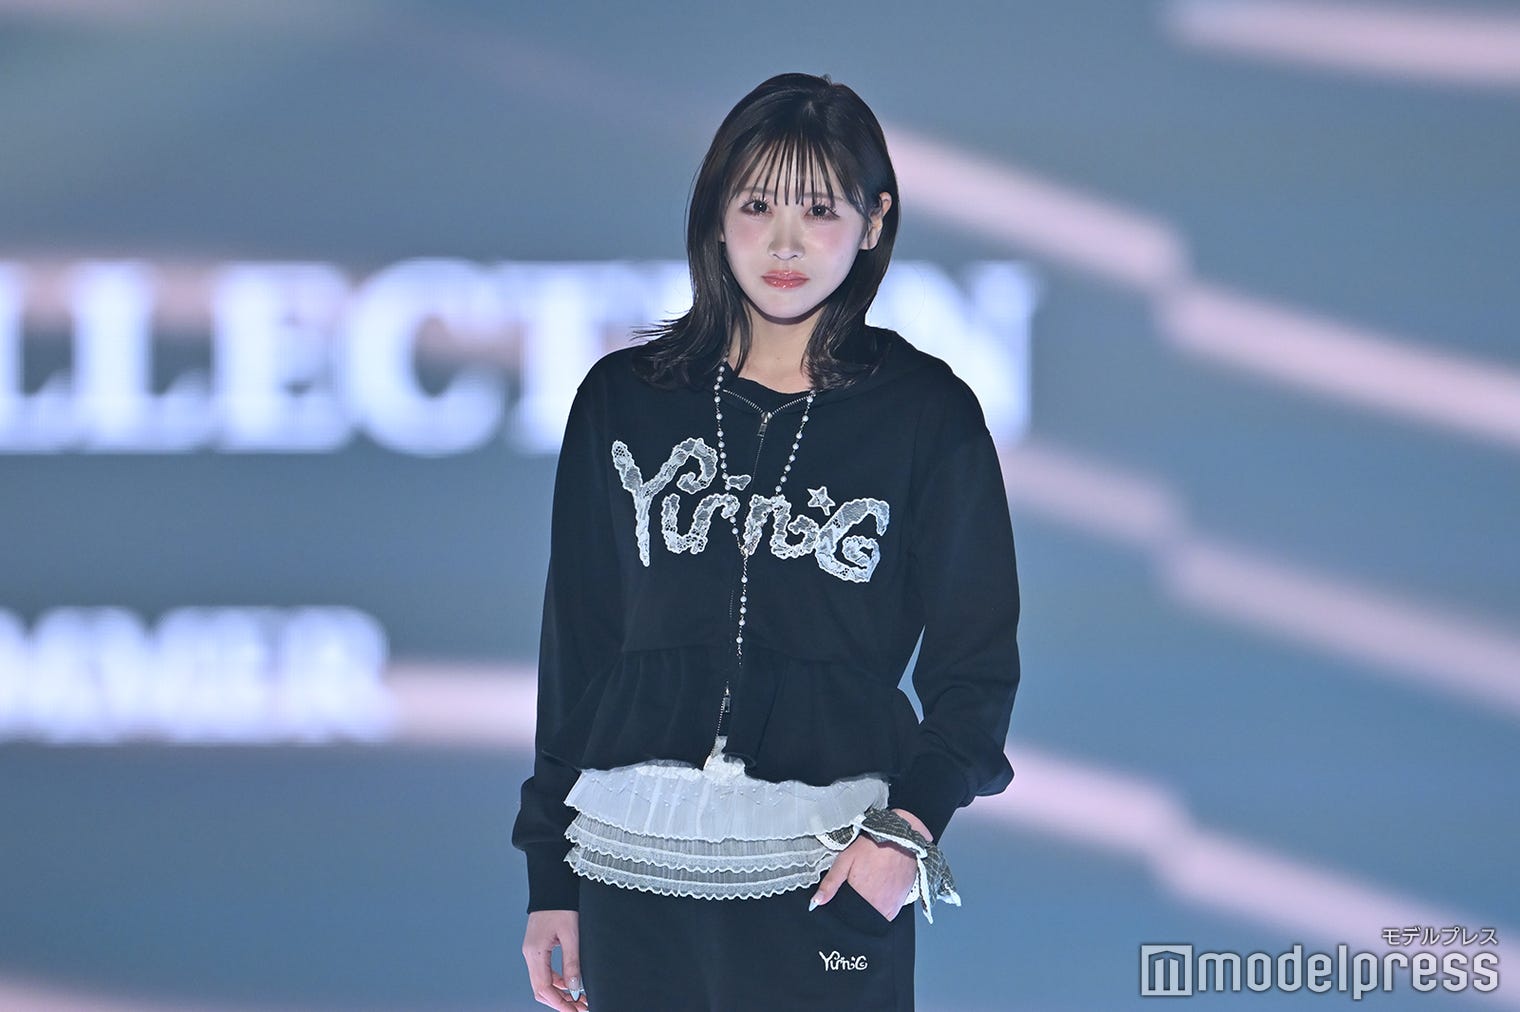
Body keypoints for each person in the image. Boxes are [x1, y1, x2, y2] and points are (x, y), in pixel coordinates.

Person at [513, 71, 1022, 1012]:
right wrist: (552, 872)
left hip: (827, 869)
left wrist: (908, 831)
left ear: (873, 221)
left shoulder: (927, 414)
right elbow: (578, 647)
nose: (785, 243)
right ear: (716, 216)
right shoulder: (624, 400)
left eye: (819, 210)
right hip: (630, 871)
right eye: (757, 205)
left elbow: (976, 667)